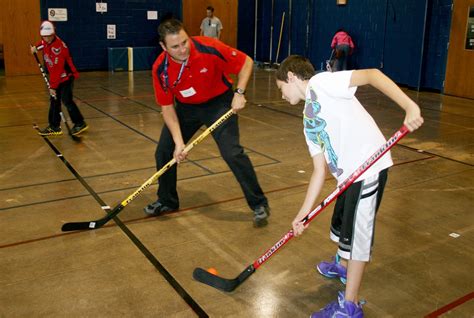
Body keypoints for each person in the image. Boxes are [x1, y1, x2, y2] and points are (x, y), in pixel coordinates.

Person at [275, 55, 423, 317]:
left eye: (280, 88)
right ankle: (343, 266)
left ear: (290, 77)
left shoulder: (322, 83)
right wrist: (303, 214)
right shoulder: (308, 121)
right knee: (340, 224)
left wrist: (410, 107)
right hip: (347, 178)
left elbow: (373, 75)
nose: (281, 95)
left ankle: (350, 307)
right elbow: (319, 170)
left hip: (368, 169)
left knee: (357, 239)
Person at [146, 19, 270, 227]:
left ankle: (259, 203)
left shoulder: (209, 47)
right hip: (186, 109)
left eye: (184, 42)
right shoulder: (161, 69)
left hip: (219, 104)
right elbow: (167, 108)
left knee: (232, 153)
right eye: (175, 47)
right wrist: (178, 142)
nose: (183, 49)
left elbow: (246, 61)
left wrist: (239, 92)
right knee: (164, 152)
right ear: (163, 47)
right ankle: (167, 200)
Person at [31, 21, 88, 136]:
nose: (46, 39)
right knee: (54, 101)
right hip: (57, 77)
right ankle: (54, 126)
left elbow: (57, 71)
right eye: (44, 36)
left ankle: (80, 123)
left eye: (48, 36)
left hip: (66, 77)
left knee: (66, 100)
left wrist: (52, 87)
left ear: (53, 34)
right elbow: (42, 44)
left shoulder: (58, 48)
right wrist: (35, 48)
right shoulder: (46, 41)